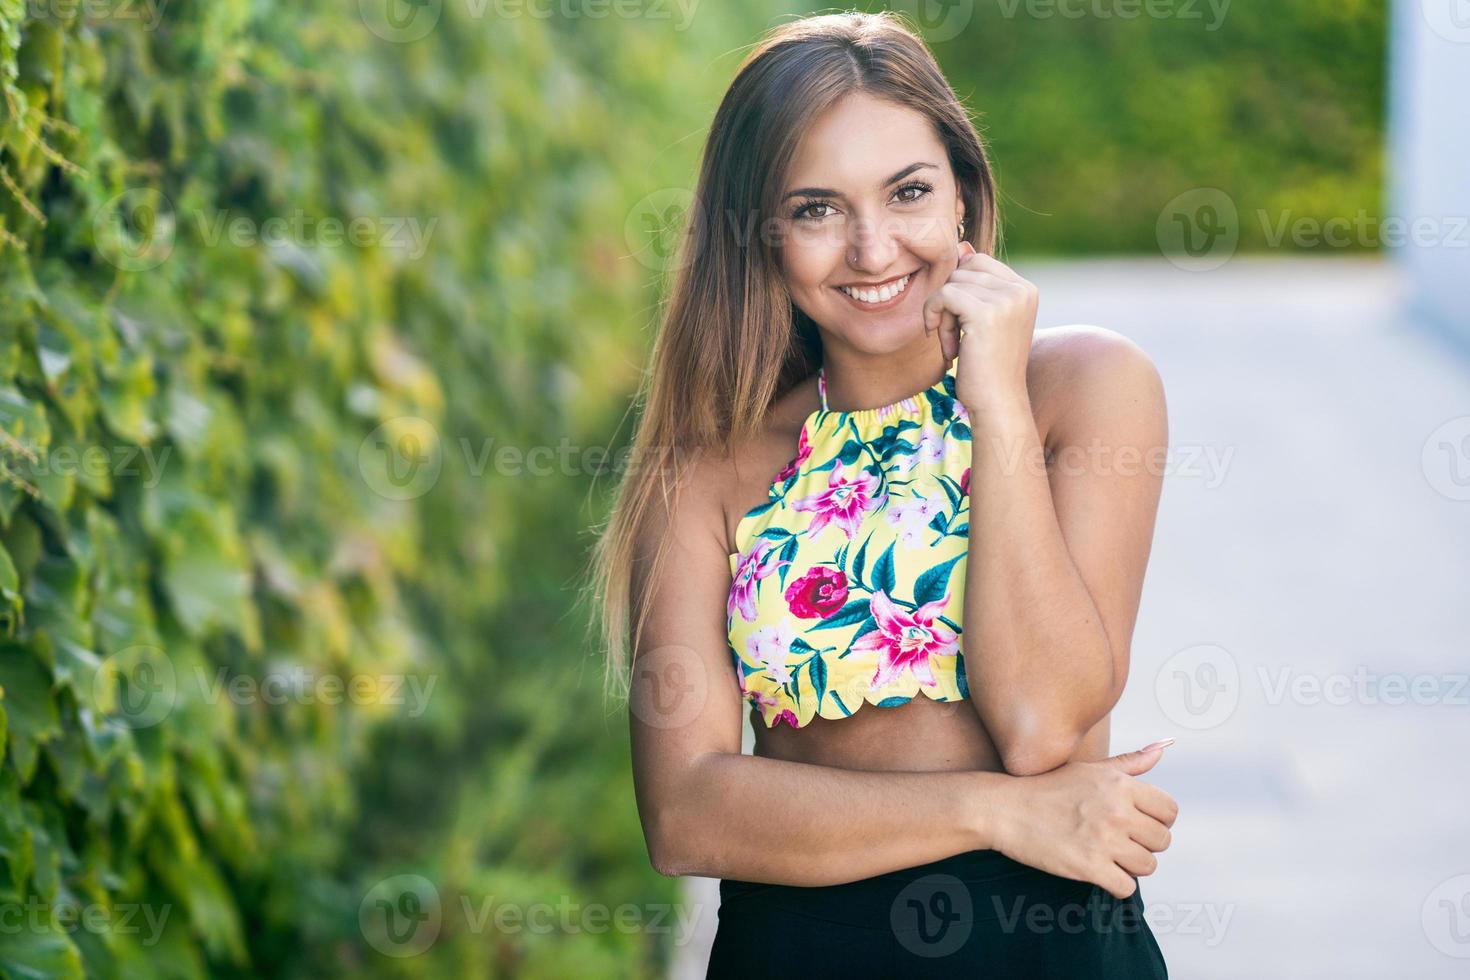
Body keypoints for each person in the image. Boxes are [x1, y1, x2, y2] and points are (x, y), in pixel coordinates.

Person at [588, 10, 1176, 977]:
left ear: (962, 196)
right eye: (817, 208)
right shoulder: (704, 471)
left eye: (907, 193)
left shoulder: (1084, 390)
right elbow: (686, 816)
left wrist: (996, 408)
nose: (872, 250)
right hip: (804, 952)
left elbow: (1040, 724)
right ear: (761, 234)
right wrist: (995, 812)